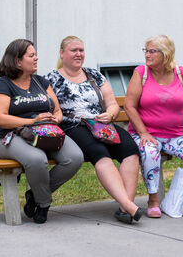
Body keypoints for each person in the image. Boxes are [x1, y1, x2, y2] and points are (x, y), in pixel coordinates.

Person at [45, 36, 144, 224]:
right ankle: (129, 206)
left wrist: (110, 114)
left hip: (101, 124)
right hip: (73, 126)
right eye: (74, 50)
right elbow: (31, 95)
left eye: (81, 50)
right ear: (62, 53)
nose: (78, 54)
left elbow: (113, 104)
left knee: (130, 150)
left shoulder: (94, 75)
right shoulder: (51, 79)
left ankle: (125, 208)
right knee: (100, 153)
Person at [0, 39, 84, 224]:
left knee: (75, 157)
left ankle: (34, 194)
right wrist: (31, 121)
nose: (36, 58)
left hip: (45, 132)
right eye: (31, 55)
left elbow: (56, 109)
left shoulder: (40, 82)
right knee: (37, 159)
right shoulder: (3, 85)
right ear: (17, 61)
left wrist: (58, 118)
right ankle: (44, 203)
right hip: (10, 136)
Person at [124, 34, 183, 218]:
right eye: (145, 51)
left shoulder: (181, 74)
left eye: (152, 51)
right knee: (150, 151)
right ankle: (153, 200)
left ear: (166, 53)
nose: (147, 55)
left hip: (176, 136)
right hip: (146, 134)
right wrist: (143, 132)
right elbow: (129, 105)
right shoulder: (141, 73)